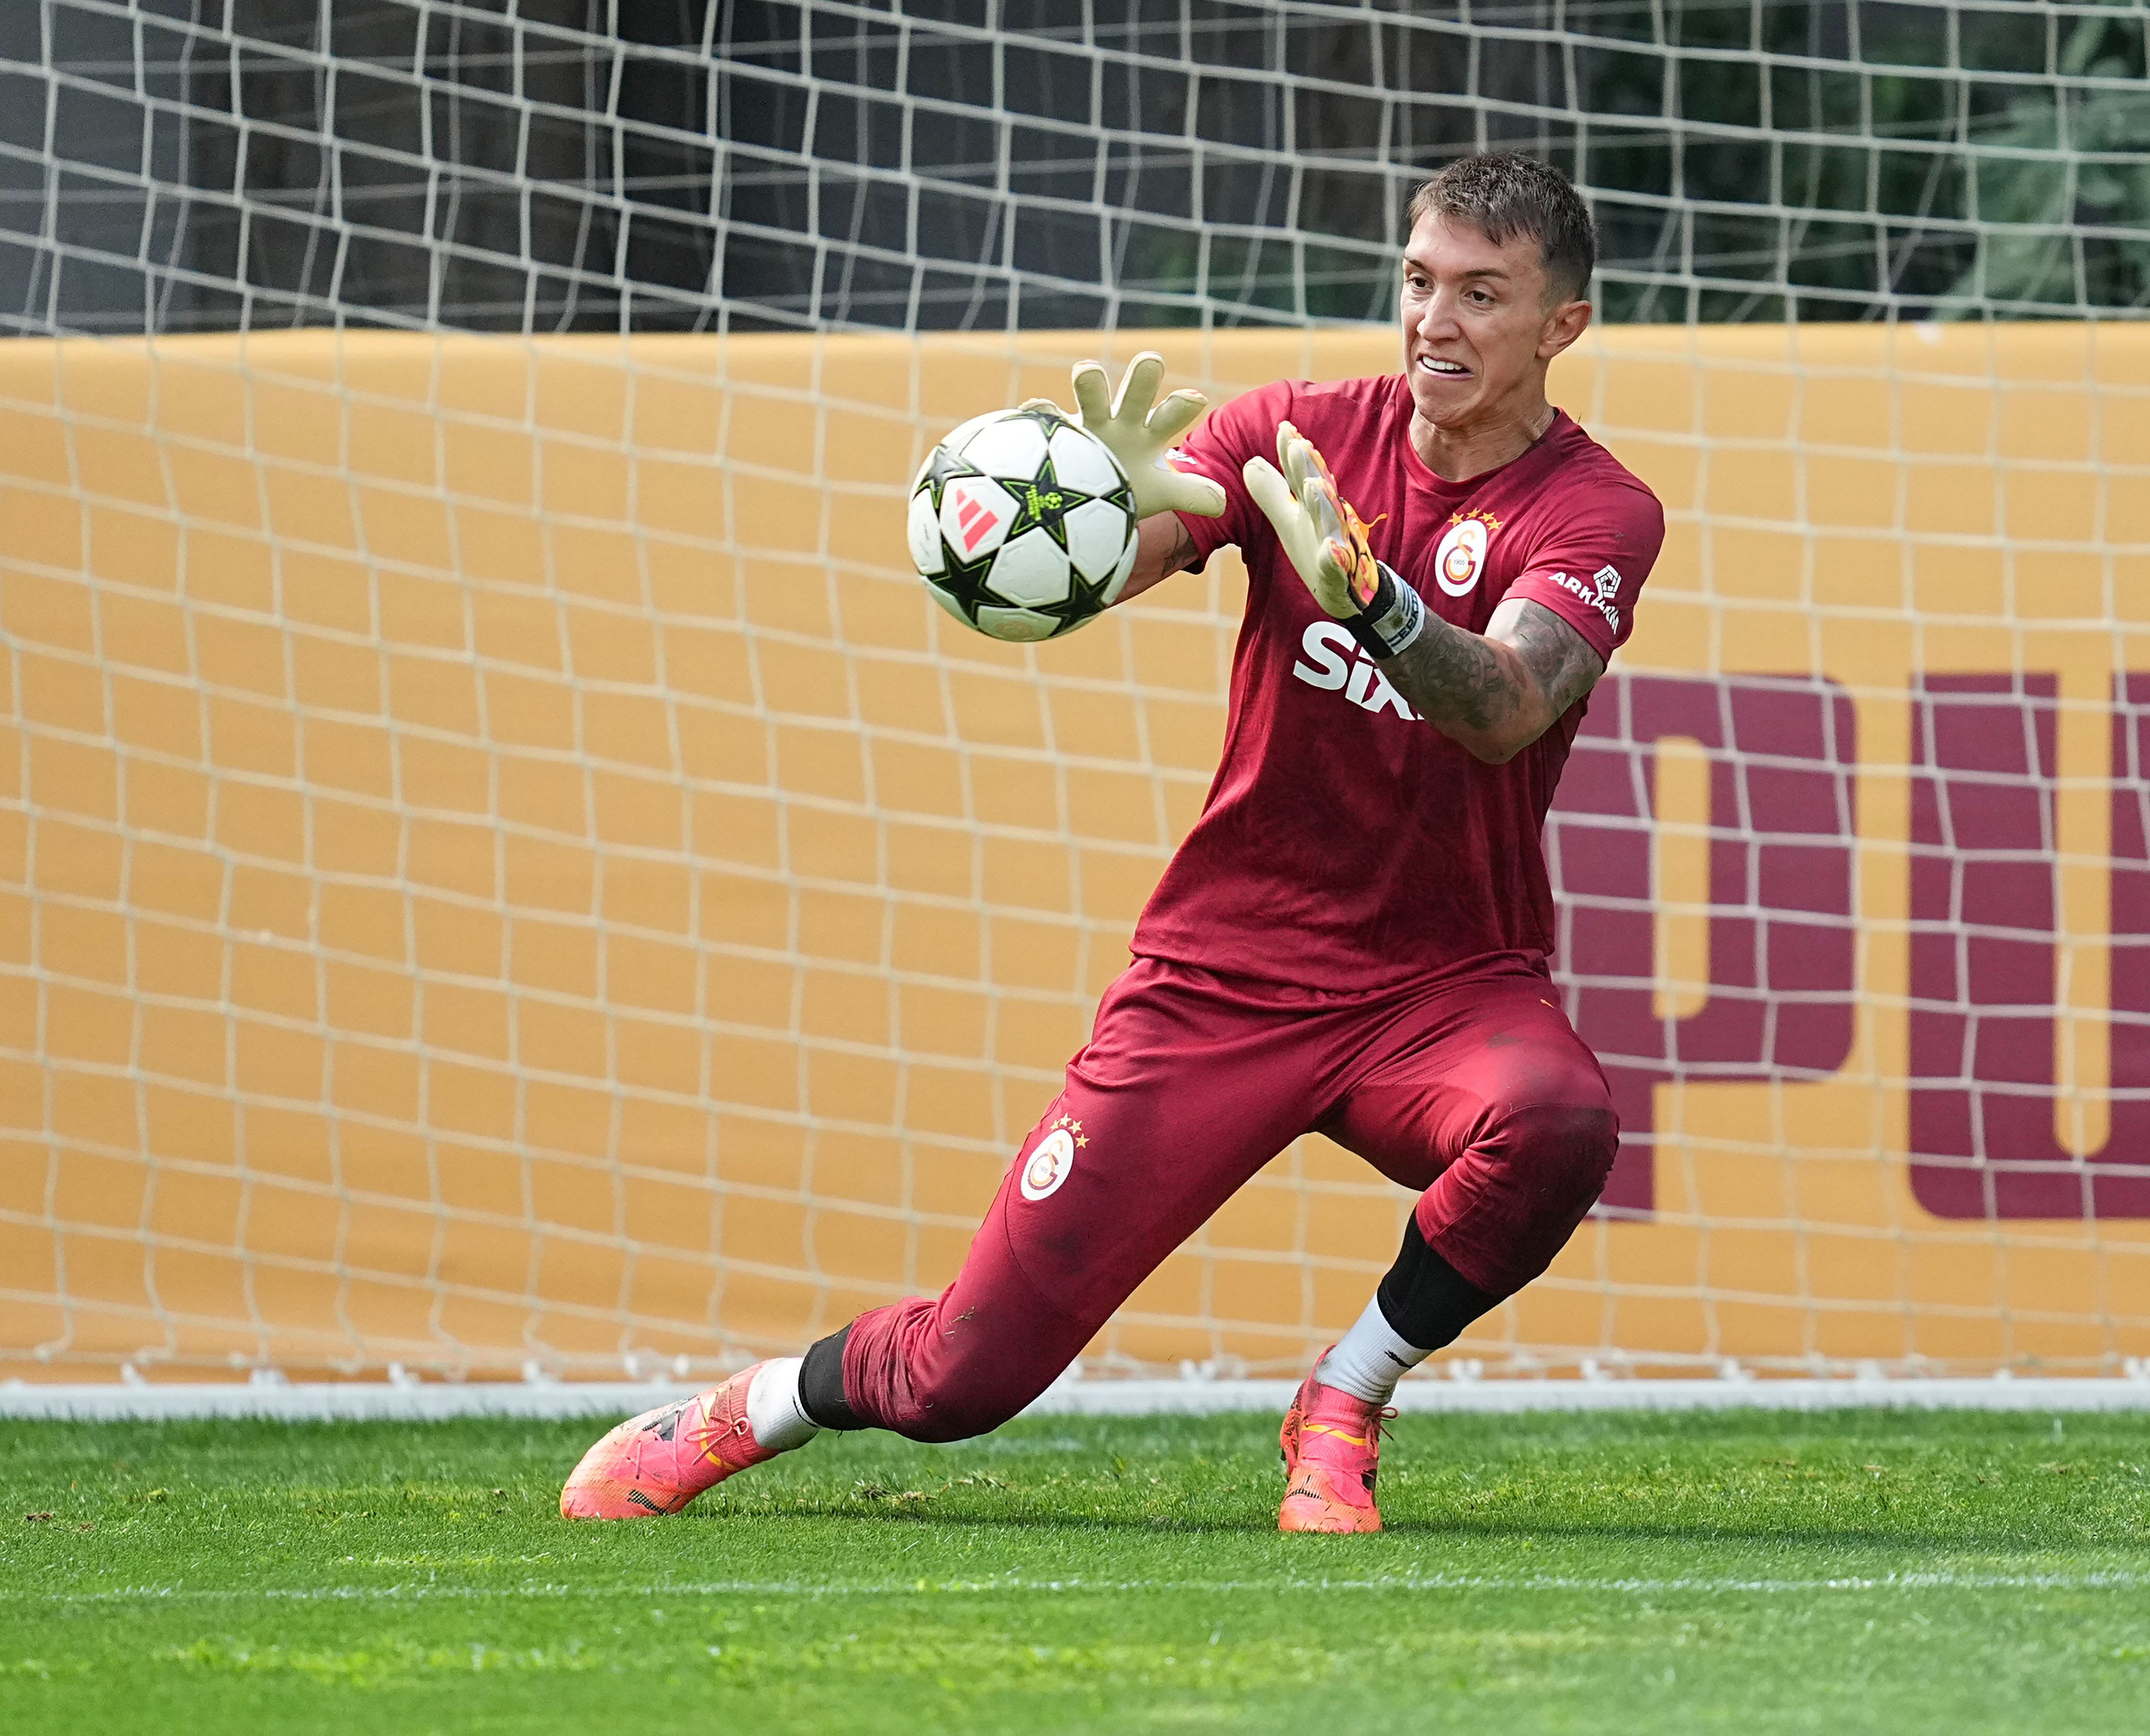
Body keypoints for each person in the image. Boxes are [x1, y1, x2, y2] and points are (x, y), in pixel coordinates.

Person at [560, 152, 1664, 1534]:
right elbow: (1132, 555)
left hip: (1444, 987)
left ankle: (1345, 1396)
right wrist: (1078, 513)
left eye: (1483, 294)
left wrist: (1373, 601)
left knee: (1559, 1120)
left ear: (1563, 324)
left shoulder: (1598, 507)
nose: (1436, 321)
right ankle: (744, 1407)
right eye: (1419, 281)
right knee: (966, 1374)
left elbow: (1505, 708)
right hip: (1224, 974)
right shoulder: (1297, 434)